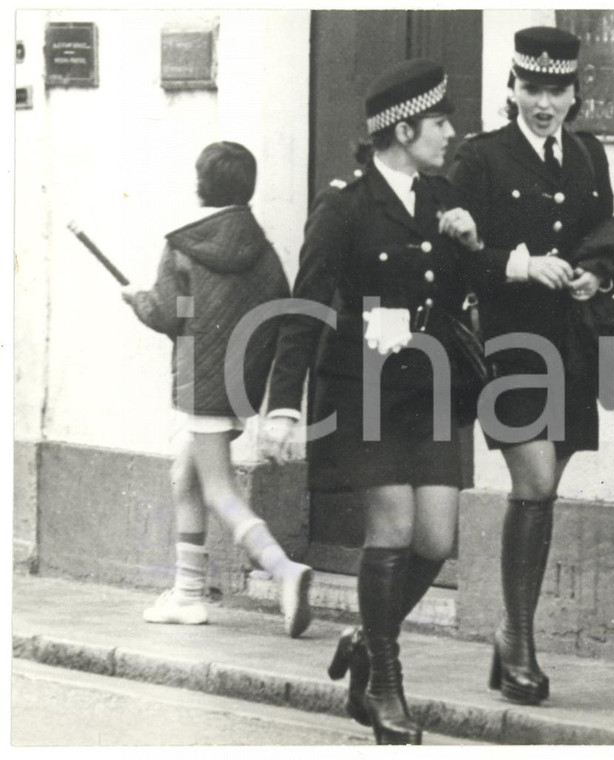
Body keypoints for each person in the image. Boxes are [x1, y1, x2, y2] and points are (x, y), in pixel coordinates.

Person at [262, 59, 482, 745]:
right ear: (404, 127)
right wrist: (283, 405)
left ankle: (362, 638)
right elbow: (306, 305)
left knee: (437, 539)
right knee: (390, 530)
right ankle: (385, 684)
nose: (450, 133)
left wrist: (471, 248)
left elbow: (453, 295)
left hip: (431, 386)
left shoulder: (442, 197)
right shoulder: (345, 204)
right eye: (440, 122)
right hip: (365, 389)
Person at [448, 26, 614, 706]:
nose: (544, 104)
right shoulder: (481, 158)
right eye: (532, 89)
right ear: (512, 89)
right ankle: (518, 640)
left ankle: (509, 635)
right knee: (536, 479)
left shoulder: (587, 155)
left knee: (543, 493)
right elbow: (453, 254)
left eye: (557, 91)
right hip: (507, 344)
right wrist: (517, 265)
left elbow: (601, 238)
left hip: (571, 343)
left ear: (574, 94)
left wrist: (593, 279)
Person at [121, 141, 313, 638]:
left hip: (201, 386)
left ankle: (283, 569)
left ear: (202, 184)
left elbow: (170, 315)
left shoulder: (183, 246)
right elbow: (278, 316)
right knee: (184, 472)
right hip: (237, 388)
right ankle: (187, 595)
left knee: (220, 489)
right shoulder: (265, 253)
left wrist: (136, 301)